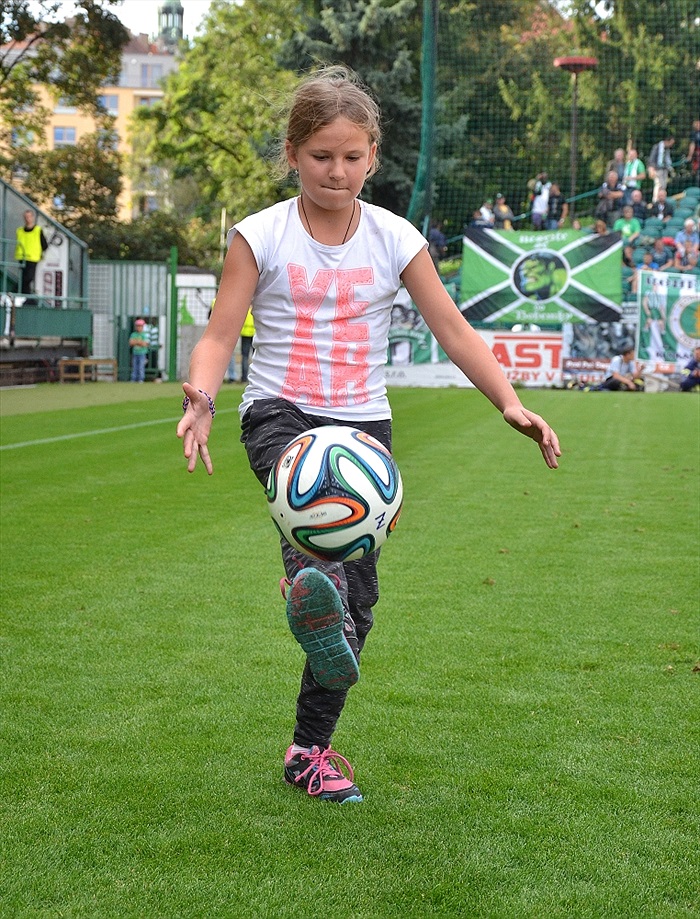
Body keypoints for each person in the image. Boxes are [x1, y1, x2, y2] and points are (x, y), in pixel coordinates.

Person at [176, 65, 561, 805]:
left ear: (373, 157)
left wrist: (509, 403)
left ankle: (308, 747)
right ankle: (304, 576)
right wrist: (202, 394)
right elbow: (222, 331)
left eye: (352, 157)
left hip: (364, 429)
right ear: (292, 153)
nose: (338, 170)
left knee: (356, 611)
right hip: (280, 415)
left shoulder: (396, 237)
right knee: (316, 538)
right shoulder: (259, 235)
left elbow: (452, 327)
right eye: (321, 155)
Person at [14, 209, 48, 306]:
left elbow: (44, 245)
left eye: (29, 217)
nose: (27, 219)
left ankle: (23, 296)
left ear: (33, 218)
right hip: (22, 258)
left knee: (27, 279)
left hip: (32, 258)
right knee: (25, 280)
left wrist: (39, 252)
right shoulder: (19, 230)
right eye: (26, 217)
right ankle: (28, 300)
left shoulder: (38, 230)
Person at [648, 134, 675, 202]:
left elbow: (667, 161)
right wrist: (651, 169)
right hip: (657, 170)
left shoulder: (667, 149)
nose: (671, 145)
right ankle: (655, 201)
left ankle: (662, 200)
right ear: (667, 141)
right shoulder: (657, 147)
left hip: (664, 170)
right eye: (671, 143)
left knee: (663, 186)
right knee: (658, 185)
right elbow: (651, 159)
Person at [128, 317, 149, 383]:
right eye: (137, 326)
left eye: (140, 326)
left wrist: (136, 342)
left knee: (141, 367)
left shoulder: (144, 335)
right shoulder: (133, 334)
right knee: (134, 366)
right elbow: (131, 342)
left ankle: (141, 378)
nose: (139, 328)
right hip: (135, 353)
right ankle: (134, 378)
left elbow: (145, 344)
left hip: (142, 353)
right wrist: (139, 342)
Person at [238, 306, 255, 383]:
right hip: (255, 334)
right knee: (256, 357)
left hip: (245, 334)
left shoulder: (244, 309)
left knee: (245, 356)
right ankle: (255, 377)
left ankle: (244, 377)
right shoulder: (255, 309)